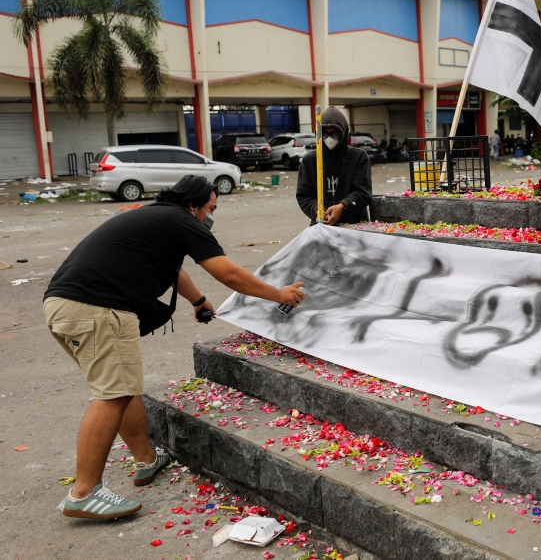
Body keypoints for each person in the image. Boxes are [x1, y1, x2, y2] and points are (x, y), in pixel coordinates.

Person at [44, 175, 307, 519]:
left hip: (64, 306)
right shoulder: (183, 220)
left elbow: (172, 271)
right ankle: (84, 492)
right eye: (210, 208)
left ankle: (146, 459)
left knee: (120, 388)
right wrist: (278, 293)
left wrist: (198, 301)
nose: (210, 216)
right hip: (99, 308)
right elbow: (227, 273)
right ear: (193, 204)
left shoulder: (157, 218)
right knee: (112, 394)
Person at [296, 106, 372, 225]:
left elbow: (363, 192)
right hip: (321, 226)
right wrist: (318, 210)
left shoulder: (358, 157)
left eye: (335, 133)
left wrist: (343, 206)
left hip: (355, 226)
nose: (330, 138)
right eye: (325, 134)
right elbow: (304, 195)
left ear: (343, 132)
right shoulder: (310, 160)